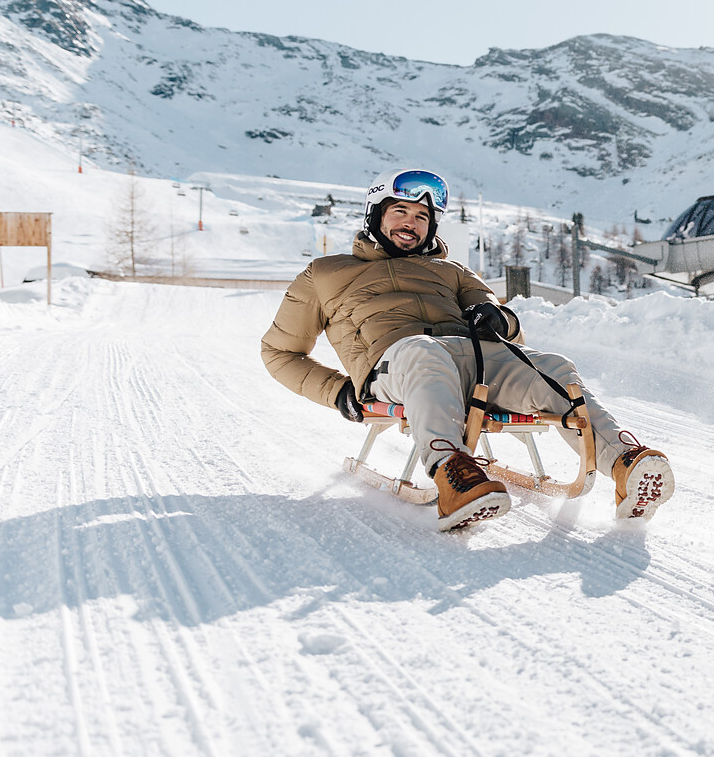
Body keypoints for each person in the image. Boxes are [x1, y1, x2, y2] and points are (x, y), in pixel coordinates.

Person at [262, 168, 673, 531]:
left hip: (471, 359)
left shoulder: (453, 270)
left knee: (554, 367)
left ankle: (623, 463)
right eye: (400, 212)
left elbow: (509, 327)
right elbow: (279, 352)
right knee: (424, 352)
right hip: (396, 365)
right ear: (375, 215)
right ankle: (454, 477)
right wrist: (337, 391)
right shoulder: (326, 273)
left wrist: (498, 318)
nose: (411, 224)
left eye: (422, 217)